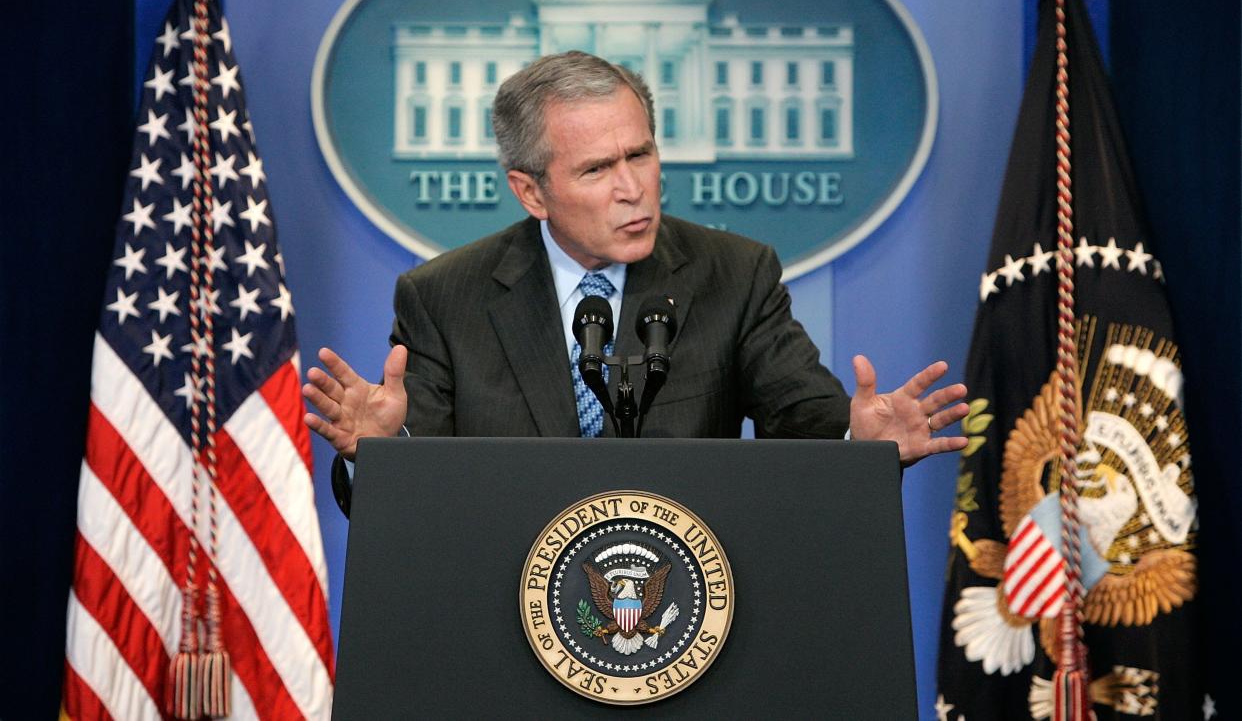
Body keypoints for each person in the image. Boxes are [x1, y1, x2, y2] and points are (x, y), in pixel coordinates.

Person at [303, 52, 968, 513]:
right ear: (530, 191)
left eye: (641, 154)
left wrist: (861, 446)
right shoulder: (445, 297)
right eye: (596, 170)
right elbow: (415, 502)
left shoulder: (733, 275)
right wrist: (384, 453)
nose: (633, 189)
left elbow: (805, 423)